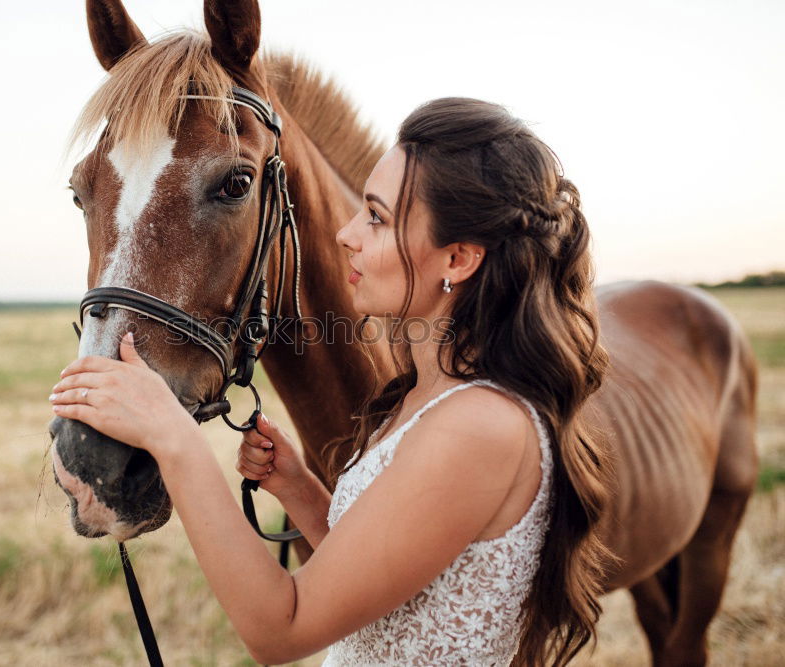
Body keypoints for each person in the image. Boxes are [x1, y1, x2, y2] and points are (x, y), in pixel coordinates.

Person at [49, 97, 614, 666]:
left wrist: (173, 438)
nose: (346, 234)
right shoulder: (427, 396)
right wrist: (302, 492)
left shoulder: (480, 427)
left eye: (377, 217)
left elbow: (283, 630)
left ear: (459, 259)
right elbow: (390, 578)